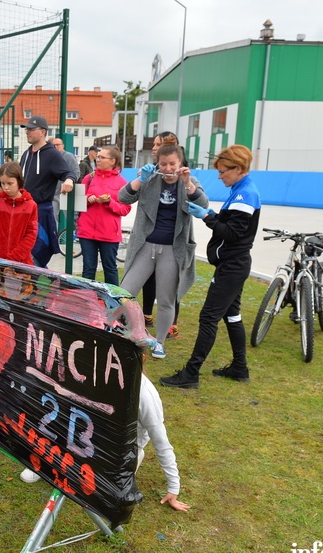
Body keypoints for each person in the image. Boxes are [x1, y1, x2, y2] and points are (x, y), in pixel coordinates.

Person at [160, 144, 261, 389]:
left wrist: (207, 216)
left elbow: (233, 233)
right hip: (232, 264)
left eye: (224, 171)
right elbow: (232, 224)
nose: (219, 175)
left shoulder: (244, 194)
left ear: (238, 168)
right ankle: (240, 367)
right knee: (232, 315)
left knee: (208, 317)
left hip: (232, 266)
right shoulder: (240, 190)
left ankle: (191, 373)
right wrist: (211, 213)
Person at [118, 144, 208, 360]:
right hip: (145, 246)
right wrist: (140, 179)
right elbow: (123, 197)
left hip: (173, 250)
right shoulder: (149, 179)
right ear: (157, 164)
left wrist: (187, 184)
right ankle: (125, 332)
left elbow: (203, 204)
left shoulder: (190, 182)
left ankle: (158, 342)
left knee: (167, 299)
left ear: (181, 164)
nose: (168, 169)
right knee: (124, 292)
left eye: (172, 164)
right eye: (163, 164)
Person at [142, 132, 186, 338]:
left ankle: (171, 324)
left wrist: (188, 185)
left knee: (169, 287)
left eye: (159, 144)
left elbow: (200, 201)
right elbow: (127, 196)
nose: (154, 147)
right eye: (154, 144)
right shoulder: (151, 174)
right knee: (146, 281)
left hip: (171, 244)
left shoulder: (184, 176)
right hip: (149, 242)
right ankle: (146, 314)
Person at [18, 116, 77, 268]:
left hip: (40, 213)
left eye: (31, 129)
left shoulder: (51, 154)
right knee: (23, 257)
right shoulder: (26, 154)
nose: (27, 132)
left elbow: (68, 173)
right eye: (27, 129)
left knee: (34, 257)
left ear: (43, 132)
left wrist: (69, 180)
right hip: (22, 212)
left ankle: (43, 287)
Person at [75, 145, 129, 286]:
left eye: (102, 157)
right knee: (88, 269)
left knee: (110, 269)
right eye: (98, 157)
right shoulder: (88, 178)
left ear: (112, 161)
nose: (98, 159)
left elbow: (125, 209)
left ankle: (113, 303)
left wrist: (110, 202)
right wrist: (88, 199)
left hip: (109, 233)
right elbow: (77, 203)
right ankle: (87, 300)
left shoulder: (122, 182)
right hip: (87, 232)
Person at [136, 374, 190, 512]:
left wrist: (173, 487)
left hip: (122, 456)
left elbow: (162, 445)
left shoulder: (144, 395)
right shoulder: (97, 374)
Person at [0, 162, 38, 264]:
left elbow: (31, 236)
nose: (6, 187)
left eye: (10, 183)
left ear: (19, 181)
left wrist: (13, 259)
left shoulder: (31, 206)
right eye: (3, 183)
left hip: (21, 262)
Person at [49, 137, 81, 222]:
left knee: (71, 219)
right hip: (54, 194)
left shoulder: (69, 157)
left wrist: (69, 180)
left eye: (58, 145)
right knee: (52, 219)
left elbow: (77, 173)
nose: (55, 147)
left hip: (67, 193)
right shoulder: (50, 157)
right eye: (53, 145)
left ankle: (73, 234)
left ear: (63, 146)